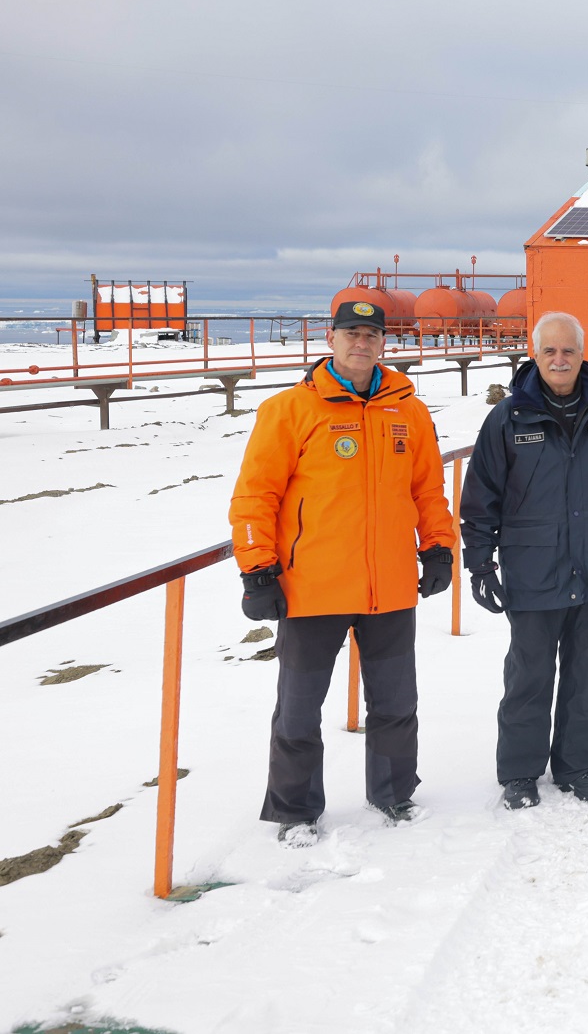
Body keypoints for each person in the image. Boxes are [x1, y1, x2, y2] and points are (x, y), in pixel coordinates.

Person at [229, 299, 456, 845]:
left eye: (372, 334)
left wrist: (440, 547)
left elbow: (426, 489)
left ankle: (394, 794)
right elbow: (256, 494)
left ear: (384, 343)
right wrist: (257, 569)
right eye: (351, 333)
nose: (362, 342)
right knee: (299, 711)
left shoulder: (410, 412)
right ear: (330, 339)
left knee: (397, 704)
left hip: (391, 586)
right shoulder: (289, 410)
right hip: (311, 589)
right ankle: (295, 812)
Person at [461, 311, 588, 809]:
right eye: (549, 350)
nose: (559, 359)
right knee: (528, 674)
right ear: (535, 354)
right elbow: (481, 493)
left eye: (568, 350)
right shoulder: (509, 417)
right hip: (533, 568)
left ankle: (577, 767)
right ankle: (521, 774)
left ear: (581, 354)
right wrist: (480, 562)